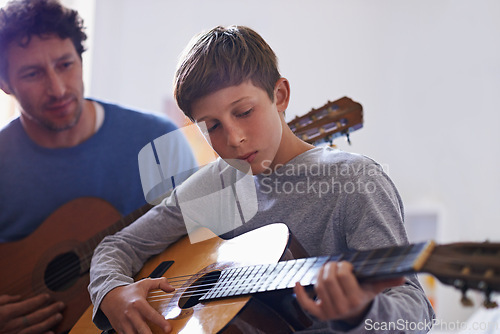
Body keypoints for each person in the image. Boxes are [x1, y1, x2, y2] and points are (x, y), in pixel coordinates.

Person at [88, 25, 435, 333]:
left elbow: (416, 314)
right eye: (213, 126)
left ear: (280, 95)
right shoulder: (213, 186)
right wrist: (112, 292)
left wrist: (363, 312)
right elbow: (116, 247)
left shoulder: (355, 181)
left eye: (244, 112)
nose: (234, 138)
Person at [0, 0, 197, 333]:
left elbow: (206, 244)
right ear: (6, 84)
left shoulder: (156, 140)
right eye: (33, 74)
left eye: (65, 64)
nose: (58, 88)